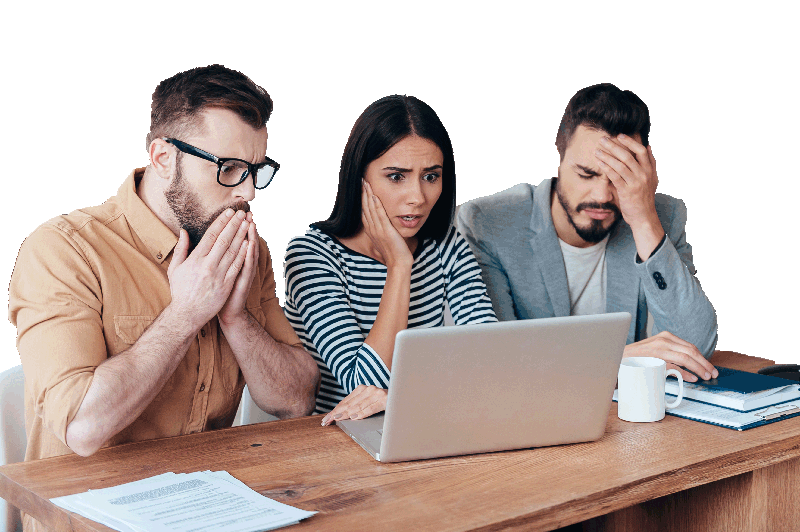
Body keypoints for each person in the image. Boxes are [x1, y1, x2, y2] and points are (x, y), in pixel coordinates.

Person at [8, 65, 320, 497]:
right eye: (229, 168)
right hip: (86, 514)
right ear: (163, 158)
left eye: (256, 169)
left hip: (208, 505)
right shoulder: (64, 250)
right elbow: (82, 426)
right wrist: (187, 313)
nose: (248, 192)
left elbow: (296, 399)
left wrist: (235, 319)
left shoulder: (244, 247)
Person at [457, 83, 719, 383]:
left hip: (626, 420)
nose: (603, 195)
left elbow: (695, 349)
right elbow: (492, 360)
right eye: (586, 174)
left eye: (619, 177)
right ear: (559, 158)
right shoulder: (489, 224)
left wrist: (644, 219)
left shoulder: (660, 216)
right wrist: (615, 359)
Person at [283, 95, 497, 424]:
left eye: (431, 176)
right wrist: (399, 266)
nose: (418, 197)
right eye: (397, 176)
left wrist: (402, 398)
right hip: (336, 440)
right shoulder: (311, 255)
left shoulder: (446, 247)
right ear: (360, 178)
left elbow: (490, 362)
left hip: (420, 425)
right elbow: (363, 386)